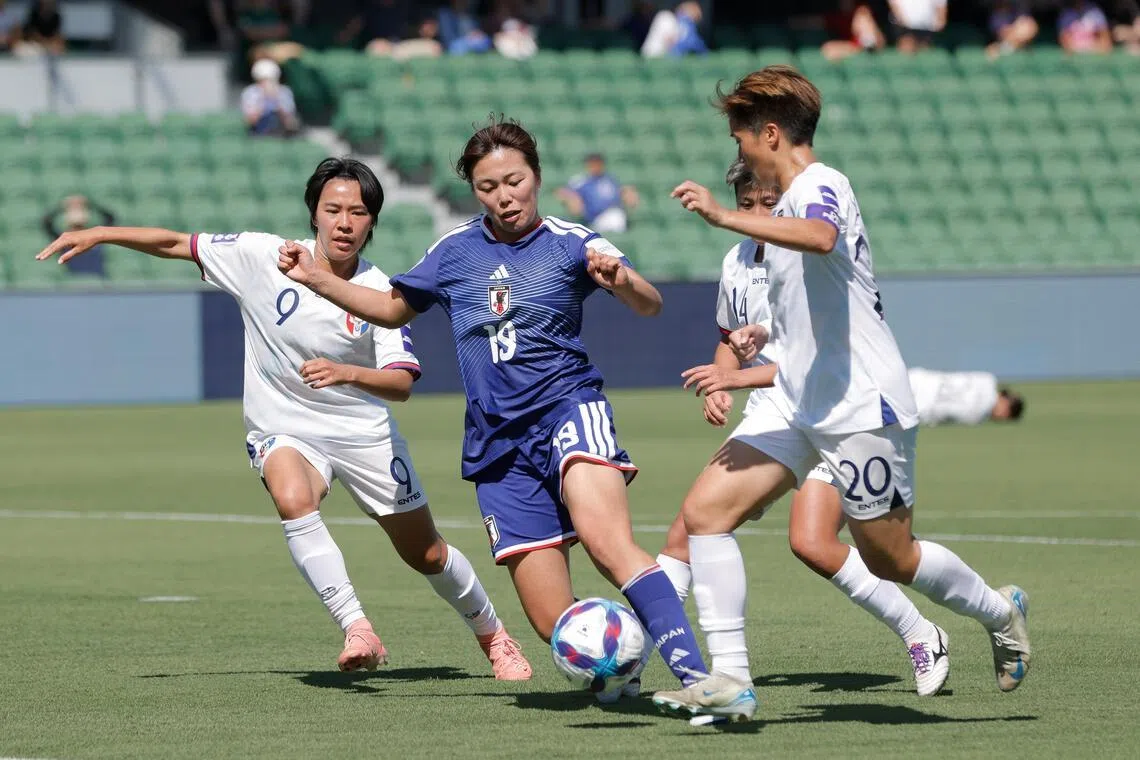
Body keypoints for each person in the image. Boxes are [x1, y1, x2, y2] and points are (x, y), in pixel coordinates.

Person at [35, 157, 532, 681]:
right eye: (333, 209)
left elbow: (402, 383)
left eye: (358, 212)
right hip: (285, 428)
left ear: (372, 221)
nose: (345, 223)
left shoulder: (380, 291)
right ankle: (357, 628)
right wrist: (102, 233)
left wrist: (346, 372)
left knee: (426, 553)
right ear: (313, 214)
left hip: (362, 433)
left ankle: (494, 635)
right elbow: (176, 244)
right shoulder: (263, 256)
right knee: (292, 497)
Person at [276, 118, 710, 701]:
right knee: (553, 623)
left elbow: (650, 305)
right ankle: (630, 659)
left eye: (514, 180)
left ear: (536, 176)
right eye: (488, 187)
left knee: (605, 540)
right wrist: (316, 279)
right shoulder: (453, 250)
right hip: (496, 445)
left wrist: (623, 281)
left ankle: (701, 680)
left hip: (567, 410)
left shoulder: (572, 242)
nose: (504, 196)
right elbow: (390, 308)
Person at [652, 66, 1030, 723]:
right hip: (801, 401)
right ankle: (732, 679)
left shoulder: (821, 186)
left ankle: (1000, 613)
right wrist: (762, 335)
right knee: (705, 513)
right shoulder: (784, 212)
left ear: (770, 134)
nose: (738, 155)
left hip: (860, 404)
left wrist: (723, 215)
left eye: (742, 140)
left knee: (891, 558)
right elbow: (818, 299)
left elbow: (824, 239)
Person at [654, 160, 950, 704]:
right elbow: (728, 337)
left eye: (770, 203)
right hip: (771, 413)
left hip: (831, 408)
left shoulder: (806, 262)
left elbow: (806, 358)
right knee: (689, 530)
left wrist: (736, 375)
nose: (759, 212)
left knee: (812, 542)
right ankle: (644, 659)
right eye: (749, 204)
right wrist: (722, 380)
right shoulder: (736, 260)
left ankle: (921, 632)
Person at [556, 154, 640, 235]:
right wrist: (573, 199)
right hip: (595, 219)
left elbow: (623, 191)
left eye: (598, 163)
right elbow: (562, 191)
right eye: (593, 163)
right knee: (616, 216)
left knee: (616, 215)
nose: (596, 165)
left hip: (613, 214)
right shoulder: (581, 180)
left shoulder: (610, 179)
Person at [909, 368, 1024, 426]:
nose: (1002, 417)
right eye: (1007, 411)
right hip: (918, 406)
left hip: (919, 379)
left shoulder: (987, 379)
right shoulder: (979, 415)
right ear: (1004, 401)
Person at [41, 195, 115, 277]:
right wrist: (62, 207)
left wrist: (90, 205)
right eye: (72, 211)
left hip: (96, 277)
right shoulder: (62, 238)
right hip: (71, 278)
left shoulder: (95, 236)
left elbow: (110, 218)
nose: (76, 214)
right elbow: (46, 222)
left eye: (81, 211)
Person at [242, 58, 300, 137]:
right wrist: (263, 98)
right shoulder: (250, 92)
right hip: (258, 133)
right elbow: (251, 121)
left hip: (282, 134)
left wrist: (276, 98)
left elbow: (290, 122)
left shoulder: (284, 92)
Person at [821, 0, 886, 62]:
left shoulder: (862, 11)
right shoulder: (840, 15)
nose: (860, 23)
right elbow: (828, 49)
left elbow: (878, 44)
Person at [640, 2, 707, 58]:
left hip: (658, 57)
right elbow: (670, 41)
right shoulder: (667, 17)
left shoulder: (674, 22)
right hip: (653, 56)